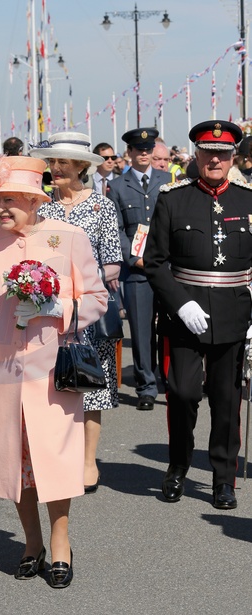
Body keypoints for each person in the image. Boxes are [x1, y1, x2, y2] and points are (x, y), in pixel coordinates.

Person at [0, 155, 107, 588]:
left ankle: (61, 542)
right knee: (15, 462)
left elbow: (97, 298)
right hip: (4, 372)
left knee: (54, 460)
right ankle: (32, 542)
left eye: (10, 199)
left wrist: (59, 307)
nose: (1, 208)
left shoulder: (69, 236)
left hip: (52, 371)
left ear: (34, 199)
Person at [144, 120, 252, 510]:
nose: (215, 160)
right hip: (184, 314)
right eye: (208, 153)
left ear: (233, 157)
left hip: (234, 313)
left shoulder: (248, 200)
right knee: (183, 394)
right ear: (196, 155)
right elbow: (155, 262)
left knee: (226, 400)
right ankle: (177, 466)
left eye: (222, 154)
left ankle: (223, 479)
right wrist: (180, 303)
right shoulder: (173, 199)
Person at [30, 131, 122, 492]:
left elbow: (112, 262)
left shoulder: (102, 206)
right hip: (48, 311)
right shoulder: (41, 206)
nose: (55, 168)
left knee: (89, 386)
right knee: (52, 388)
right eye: (52, 161)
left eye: (62, 162)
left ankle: (87, 462)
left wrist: (77, 281)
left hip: (89, 312)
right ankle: (56, 458)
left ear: (81, 167)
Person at [109, 127, 172, 411]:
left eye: (148, 150)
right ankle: (146, 386)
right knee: (141, 330)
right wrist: (133, 258)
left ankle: (169, 379)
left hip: (167, 266)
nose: (144, 154)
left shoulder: (167, 180)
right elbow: (117, 228)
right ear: (130, 153)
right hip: (136, 270)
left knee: (171, 327)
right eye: (139, 149)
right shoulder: (117, 187)